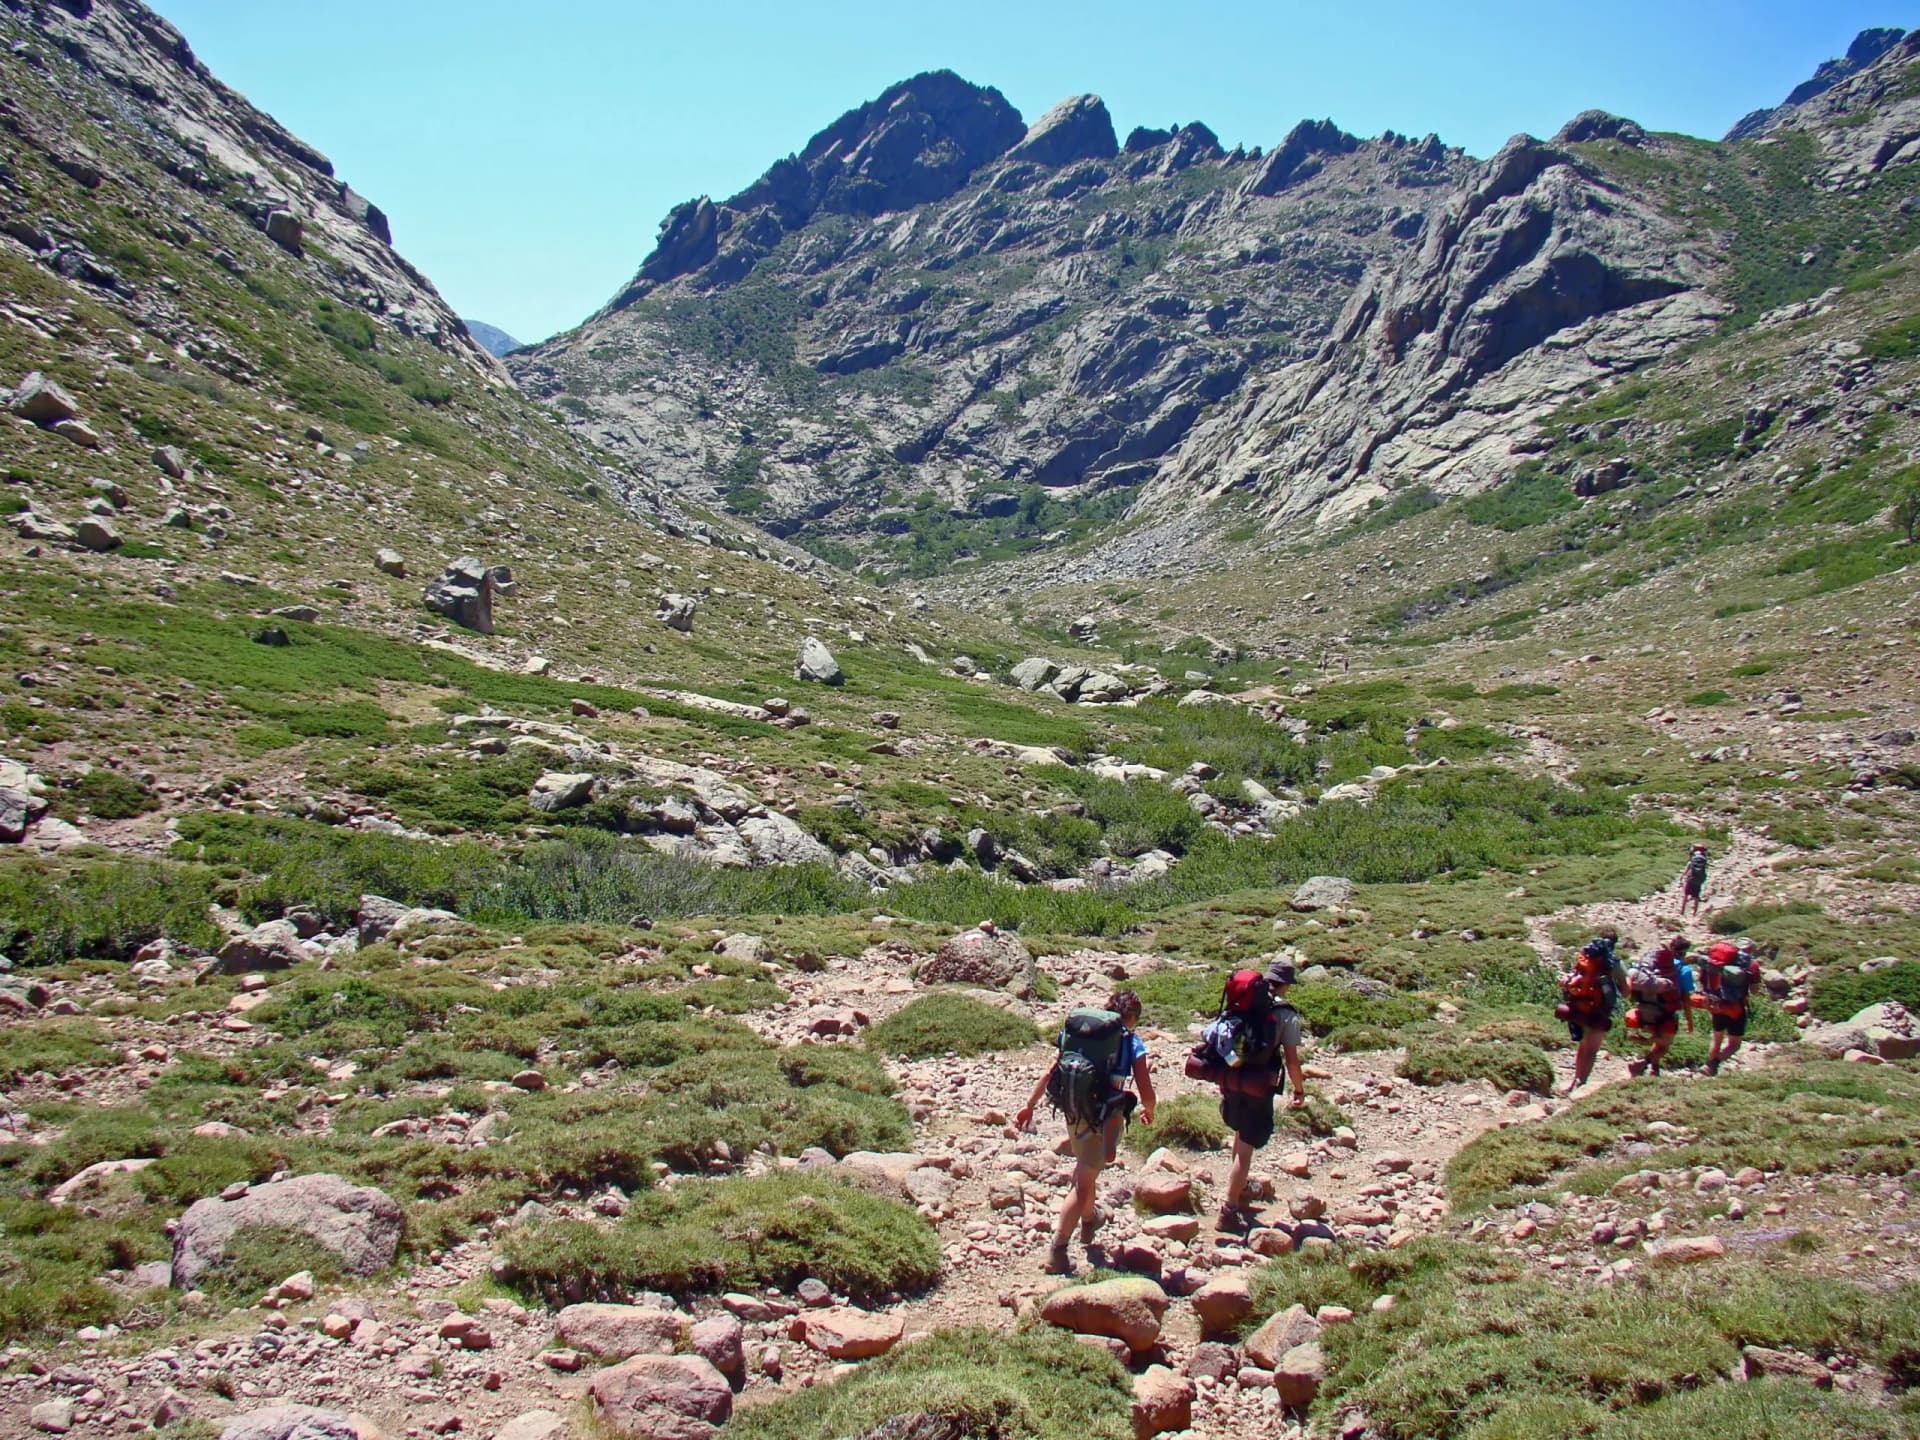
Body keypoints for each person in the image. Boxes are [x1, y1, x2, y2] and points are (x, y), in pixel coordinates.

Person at [1016, 989, 1155, 1274]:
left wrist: (1029, 1105)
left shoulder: (1080, 1035)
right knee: (1081, 1184)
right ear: (1131, 1017)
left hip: (1073, 1111)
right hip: (1105, 1118)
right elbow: (1144, 1086)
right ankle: (1058, 1249)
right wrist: (1149, 1108)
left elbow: (1050, 1070)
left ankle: (1090, 1220)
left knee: (1085, 1171)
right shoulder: (1131, 1042)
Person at [1186, 956, 1305, 1233]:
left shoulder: (1241, 1002)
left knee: (1239, 1133)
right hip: (1258, 1084)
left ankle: (1238, 1190)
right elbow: (1292, 1060)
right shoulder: (1284, 1014)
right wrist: (1298, 1089)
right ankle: (1229, 1209)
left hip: (1230, 1078)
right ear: (1285, 983)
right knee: (1247, 1145)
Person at [1556, 929, 1630, 1094]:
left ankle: (1575, 1079)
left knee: (1583, 1046)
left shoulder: (1584, 957)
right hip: (1600, 1010)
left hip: (1579, 1007)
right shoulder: (1614, 963)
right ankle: (1582, 1083)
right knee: (1591, 1048)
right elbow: (1626, 992)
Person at [1625, 936, 1694, 1077]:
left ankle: (1654, 1070)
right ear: (1683, 952)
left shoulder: (1653, 966)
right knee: (1664, 1045)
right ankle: (1642, 1063)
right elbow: (1686, 998)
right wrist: (1689, 1020)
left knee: (1658, 1038)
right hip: (1666, 1012)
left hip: (1645, 1009)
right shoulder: (1683, 970)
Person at [1697, 937, 1763, 1075]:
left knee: (1717, 1038)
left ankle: (1708, 1068)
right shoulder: (1752, 964)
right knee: (1734, 1044)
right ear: (1750, 949)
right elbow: (1754, 991)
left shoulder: (1717, 962)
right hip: (1735, 1008)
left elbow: (1701, 979)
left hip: (1715, 1003)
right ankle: (1712, 1064)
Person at [1679, 844, 1709, 918]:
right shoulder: (1703, 859)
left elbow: (1686, 870)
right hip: (1699, 880)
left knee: (1686, 895)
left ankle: (1682, 911)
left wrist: (1681, 877)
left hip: (1690, 879)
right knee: (1696, 896)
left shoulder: (1692, 860)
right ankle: (1694, 913)